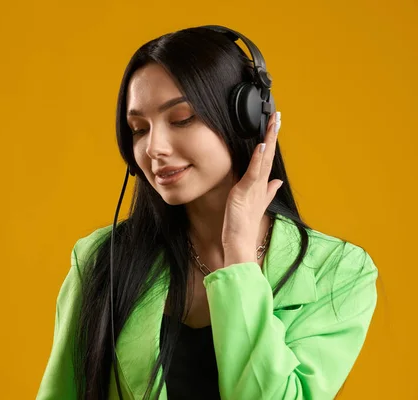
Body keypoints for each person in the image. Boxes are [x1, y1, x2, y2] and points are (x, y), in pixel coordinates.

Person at [36, 25, 378, 400]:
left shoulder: (340, 272)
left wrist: (238, 260)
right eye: (138, 129)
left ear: (245, 117)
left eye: (181, 119)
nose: (154, 148)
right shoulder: (101, 259)